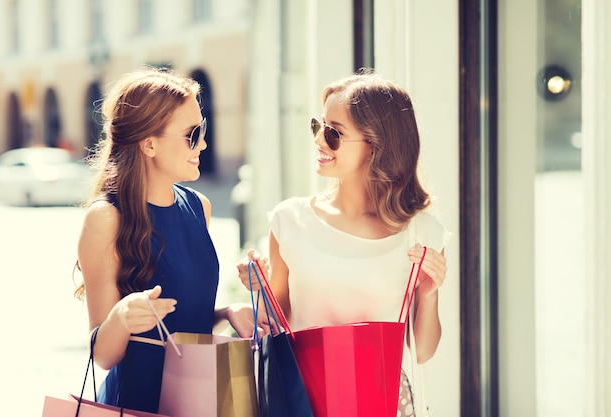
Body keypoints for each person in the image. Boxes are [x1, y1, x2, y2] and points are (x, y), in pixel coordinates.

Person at [237, 69, 451, 417]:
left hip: (381, 404)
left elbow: (423, 351)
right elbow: (275, 324)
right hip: (301, 400)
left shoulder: (422, 233)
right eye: (318, 127)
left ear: (377, 146)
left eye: (334, 133)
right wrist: (257, 286)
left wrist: (429, 294)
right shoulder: (290, 220)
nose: (320, 140)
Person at [74, 67, 254, 414]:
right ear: (149, 143)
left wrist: (226, 313)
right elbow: (102, 355)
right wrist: (123, 316)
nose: (202, 144)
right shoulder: (106, 218)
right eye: (191, 134)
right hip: (139, 402)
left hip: (199, 397)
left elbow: (183, 317)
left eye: (202, 131)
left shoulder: (199, 207)